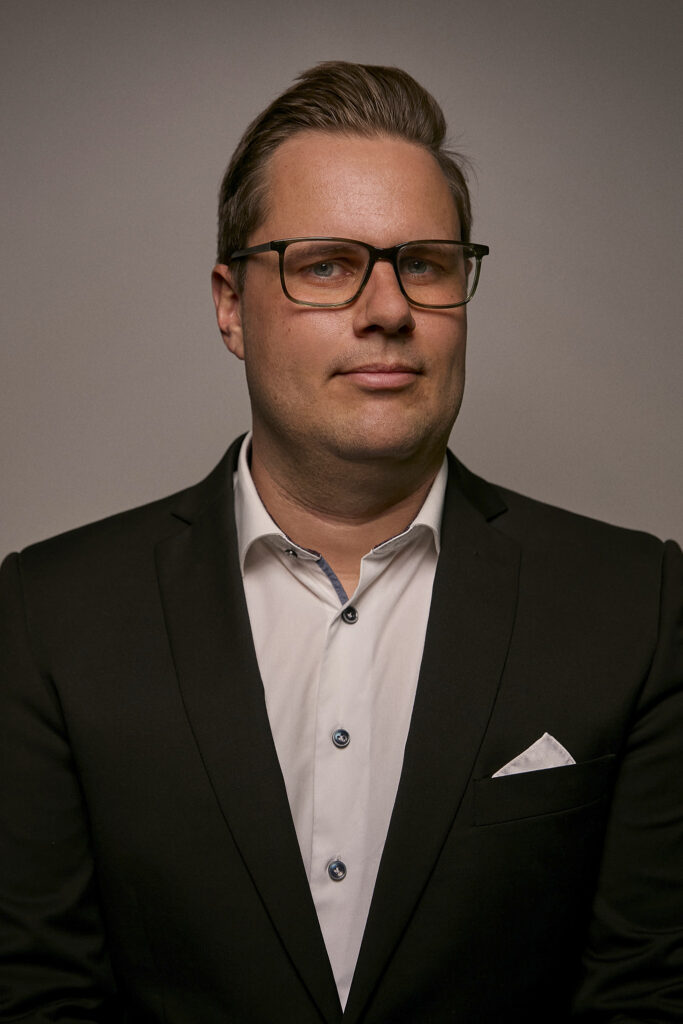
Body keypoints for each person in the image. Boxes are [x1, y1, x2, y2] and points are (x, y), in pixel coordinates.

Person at [1, 61, 681, 1024]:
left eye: (426, 264)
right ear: (231, 306)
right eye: (325, 264)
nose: (388, 308)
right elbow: (34, 991)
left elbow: (648, 992)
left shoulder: (637, 605)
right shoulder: (48, 616)